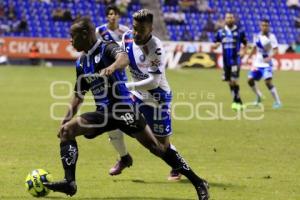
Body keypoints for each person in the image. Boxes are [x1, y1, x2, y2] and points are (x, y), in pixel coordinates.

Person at [43, 16, 209, 200]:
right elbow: (78, 95)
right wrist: (64, 120)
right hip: (103, 115)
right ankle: (69, 182)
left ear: (85, 34)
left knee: (158, 148)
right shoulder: (81, 62)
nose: (70, 40)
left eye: (72, 36)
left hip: (123, 110)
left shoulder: (107, 47)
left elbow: (123, 59)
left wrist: (113, 67)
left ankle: (198, 182)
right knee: (67, 131)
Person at [121, 9, 184, 181]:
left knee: (161, 148)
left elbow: (153, 82)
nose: (136, 33)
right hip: (137, 95)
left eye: (141, 30)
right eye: (134, 28)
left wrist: (126, 85)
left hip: (157, 100)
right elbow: (121, 58)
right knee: (113, 116)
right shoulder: (126, 38)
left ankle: (177, 167)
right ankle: (123, 157)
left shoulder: (156, 48)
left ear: (151, 30)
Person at [96, 5, 133, 176]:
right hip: (104, 81)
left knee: (138, 120)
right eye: (110, 14)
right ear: (107, 16)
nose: (113, 16)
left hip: (123, 80)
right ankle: (124, 157)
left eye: (115, 14)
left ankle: (170, 155)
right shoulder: (99, 32)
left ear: (118, 16)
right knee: (110, 123)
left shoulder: (126, 32)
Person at [212, 12, 247, 111]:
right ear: (225, 19)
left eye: (231, 17)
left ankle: (236, 102)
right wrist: (216, 45)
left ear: (234, 19)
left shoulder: (240, 31)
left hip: (235, 59)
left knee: (234, 80)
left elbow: (246, 43)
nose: (229, 19)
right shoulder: (220, 32)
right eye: (227, 18)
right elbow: (215, 43)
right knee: (229, 82)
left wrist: (243, 51)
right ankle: (237, 101)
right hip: (225, 61)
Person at [247, 19, 282, 109]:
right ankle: (259, 96)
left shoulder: (272, 36)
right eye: (263, 25)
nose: (264, 27)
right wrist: (249, 56)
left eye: (266, 25)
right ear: (260, 26)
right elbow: (254, 47)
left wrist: (270, 57)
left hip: (267, 64)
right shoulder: (257, 36)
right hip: (257, 63)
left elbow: (276, 49)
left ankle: (277, 102)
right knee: (250, 80)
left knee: (267, 82)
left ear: (269, 26)